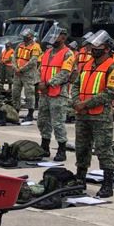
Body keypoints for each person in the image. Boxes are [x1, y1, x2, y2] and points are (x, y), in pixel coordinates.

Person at [72, 30, 114, 197]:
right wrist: (76, 102)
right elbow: (76, 85)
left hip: (100, 115)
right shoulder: (87, 65)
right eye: (93, 47)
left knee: (103, 149)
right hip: (82, 114)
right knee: (81, 147)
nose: (93, 49)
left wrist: (85, 104)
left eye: (98, 47)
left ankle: (108, 184)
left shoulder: (113, 67)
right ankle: (80, 179)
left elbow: (110, 93)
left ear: (107, 49)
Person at [36, 26, 75, 161]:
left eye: (56, 36)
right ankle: (44, 147)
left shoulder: (68, 54)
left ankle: (61, 149)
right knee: (42, 121)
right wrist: (39, 83)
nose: (53, 38)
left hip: (58, 93)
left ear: (63, 37)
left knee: (58, 123)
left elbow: (65, 73)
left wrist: (48, 84)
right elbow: (39, 69)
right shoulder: (47, 52)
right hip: (44, 93)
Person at [12, 30, 42, 121]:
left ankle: (30, 113)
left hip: (28, 74)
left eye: (26, 37)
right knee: (15, 92)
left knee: (29, 94)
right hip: (17, 73)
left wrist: (21, 69)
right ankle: (16, 111)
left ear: (31, 37)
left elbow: (33, 61)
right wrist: (15, 67)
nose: (24, 38)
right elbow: (14, 57)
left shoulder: (35, 47)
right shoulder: (20, 45)